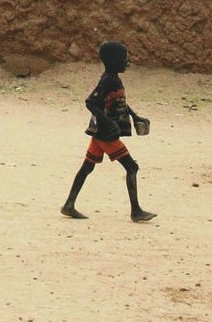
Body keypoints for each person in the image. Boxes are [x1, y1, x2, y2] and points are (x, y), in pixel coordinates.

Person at [61, 40, 155, 222]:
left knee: (87, 167)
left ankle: (69, 204)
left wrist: (135, 116)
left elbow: (120, 102)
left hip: (100, 134)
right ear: (112, 61)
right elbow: (90, 103)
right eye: (123, 58)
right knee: (132, 167)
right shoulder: (107, 80)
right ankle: (136, 211)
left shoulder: (114, 79)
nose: (126, 62)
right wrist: (108, 122)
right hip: (107, 135)